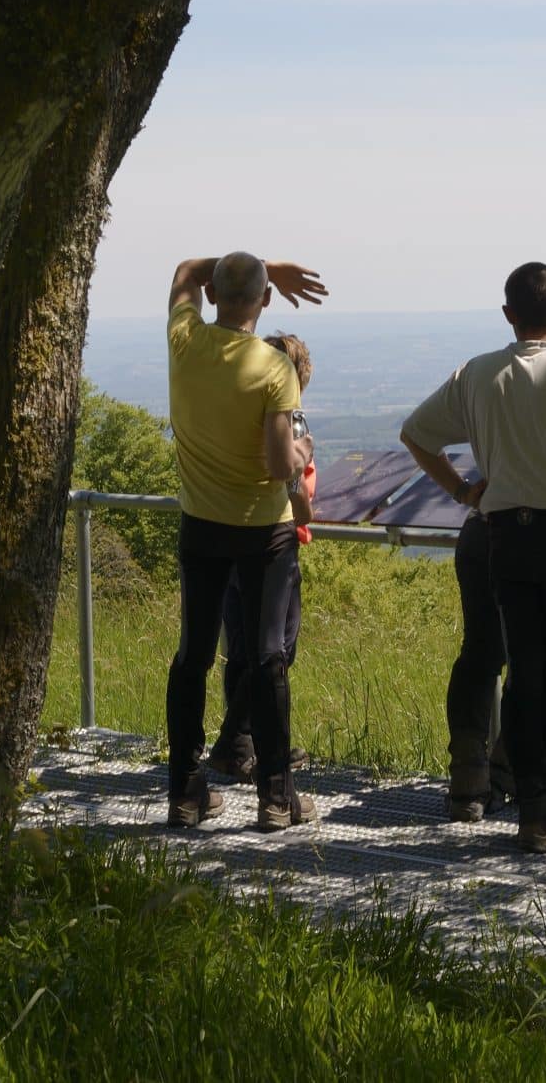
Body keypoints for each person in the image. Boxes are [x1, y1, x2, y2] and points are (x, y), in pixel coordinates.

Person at [401, 262, 546, 852]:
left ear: (508, 315)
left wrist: (462, 491)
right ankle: (545, 804)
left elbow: (416, 434)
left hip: (503, 537)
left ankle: (535, 808)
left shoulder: (476, 374)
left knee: (525, 671)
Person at [164, 253, 324, 830]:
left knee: (193, 657)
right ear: (265, 301)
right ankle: (277, 798)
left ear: (212, 297)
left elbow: (184, 269)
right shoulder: (274, 368)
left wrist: (261, 263)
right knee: (267, 659)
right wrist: (303, 454)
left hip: (201, 523)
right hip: (264, 530)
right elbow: (282, 459)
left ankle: (186, 792)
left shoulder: (184, 341)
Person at [207, 333, 316, 783]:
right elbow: (294, 486)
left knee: (241, 648)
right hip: (273, 540)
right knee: (277, 652)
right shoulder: (291, 421)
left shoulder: (232, 414)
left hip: (226, 536)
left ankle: (244, 748)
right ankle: (239, 743)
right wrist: (304, 505)